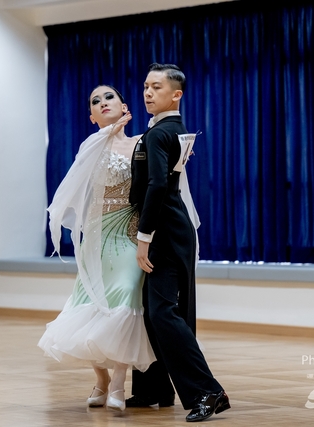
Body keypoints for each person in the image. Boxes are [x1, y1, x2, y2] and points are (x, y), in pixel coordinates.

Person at [38, 85, 156, 411]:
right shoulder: (91, 145)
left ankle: (118, 380)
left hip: (129, 233)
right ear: (91, 116)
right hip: (98, 235)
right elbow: (78, 181)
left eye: (109, 97)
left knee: (127, 295)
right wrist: (108, 133)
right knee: (92, 302)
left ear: (124, 106)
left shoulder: (141, 143)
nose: (103, 102)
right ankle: (101, 380)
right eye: (95, 101)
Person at [127, 63, 231, 422]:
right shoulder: (171, 129)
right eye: (146, 86)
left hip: (166, 231)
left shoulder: (161, 133)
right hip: (173, 227)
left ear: (176, 94)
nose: (147, 92)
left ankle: (208, 391)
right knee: (154, 312)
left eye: (156, 87)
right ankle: (155, 388)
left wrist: (144, 238)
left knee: (162, 312)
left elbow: (157, 185)